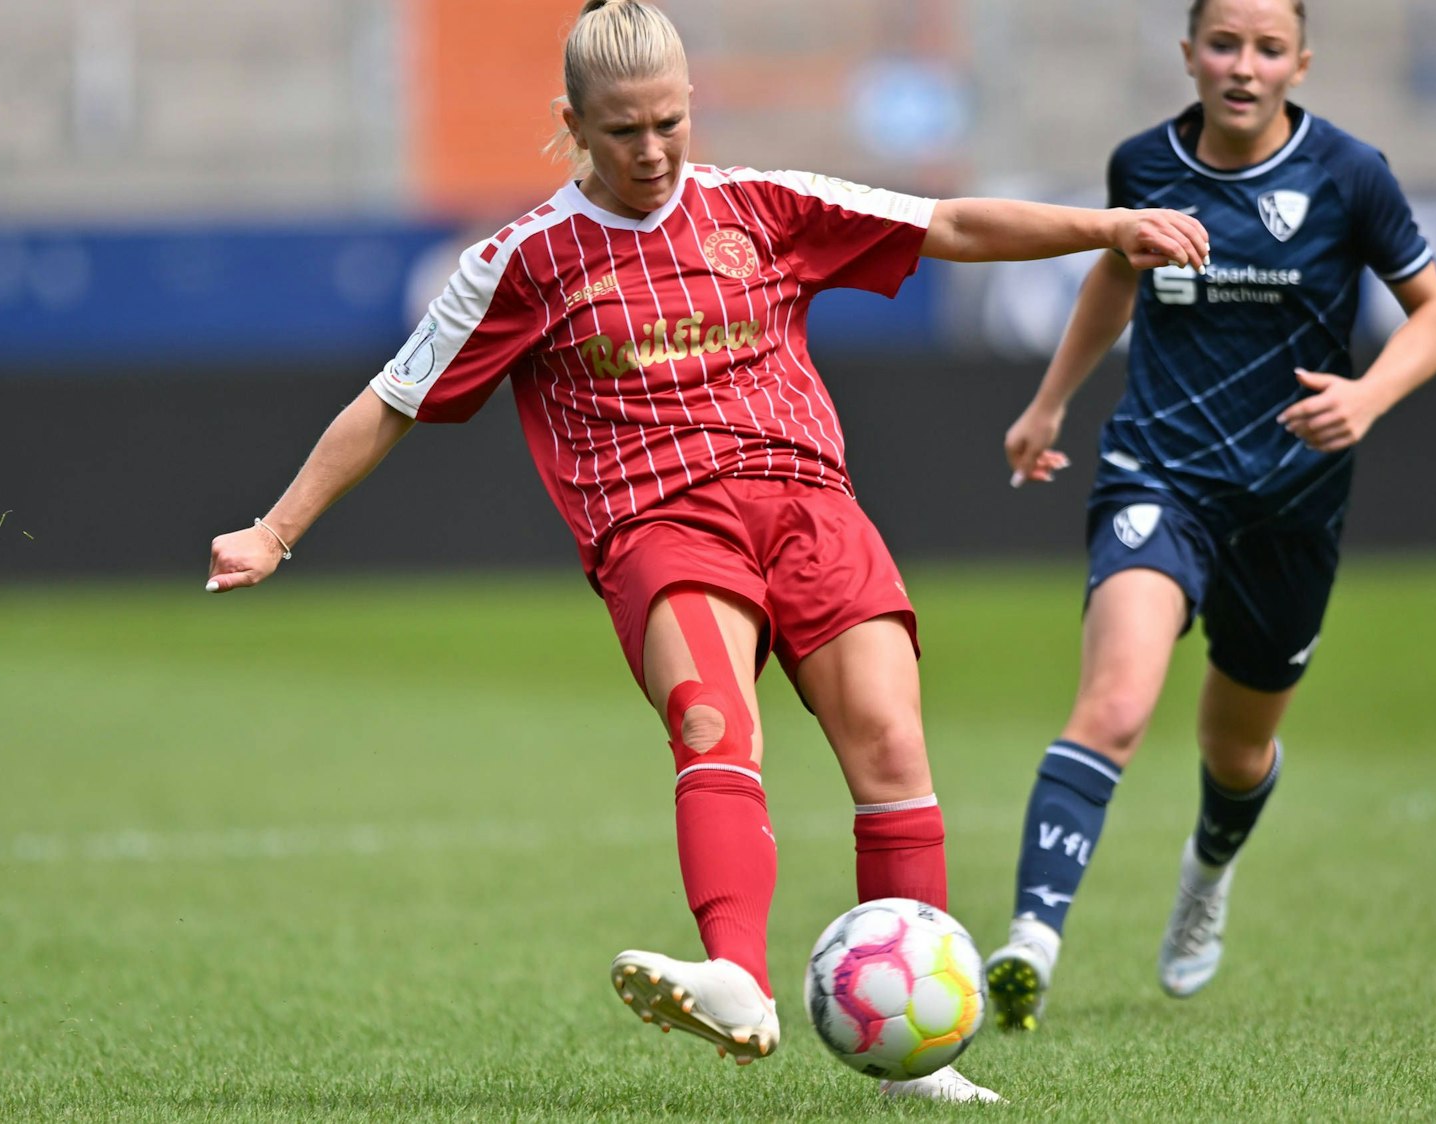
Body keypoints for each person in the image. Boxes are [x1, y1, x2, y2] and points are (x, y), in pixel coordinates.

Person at [206, 0, 1205, 1100]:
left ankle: (915, 1062)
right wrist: (275, 528)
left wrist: (1103, 228)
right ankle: (736, 972)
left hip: (812, 507)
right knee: (711, 720)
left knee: (890, 746)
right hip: (659, 522)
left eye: (670, 123)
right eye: (624, 129)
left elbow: (951, 223)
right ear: (574, 122)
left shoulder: (764, 204)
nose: (652, 151)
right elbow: (391, 397)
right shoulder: (524, 259)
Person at [982, 0, 1436, 1032]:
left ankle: (1206, 873)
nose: (1242, 66)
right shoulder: (1141, 165)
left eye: (1266, 48)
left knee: (1234, 750)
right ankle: (1028, 941)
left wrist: (1366, 396)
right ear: (1189, 53)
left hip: (1290, 504)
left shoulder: (1348, 173)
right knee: (1113, 704)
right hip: (1159, 476)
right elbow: (1116, 272)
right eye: (1223, 43)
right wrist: (1049, 401)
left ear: (1300, 62)